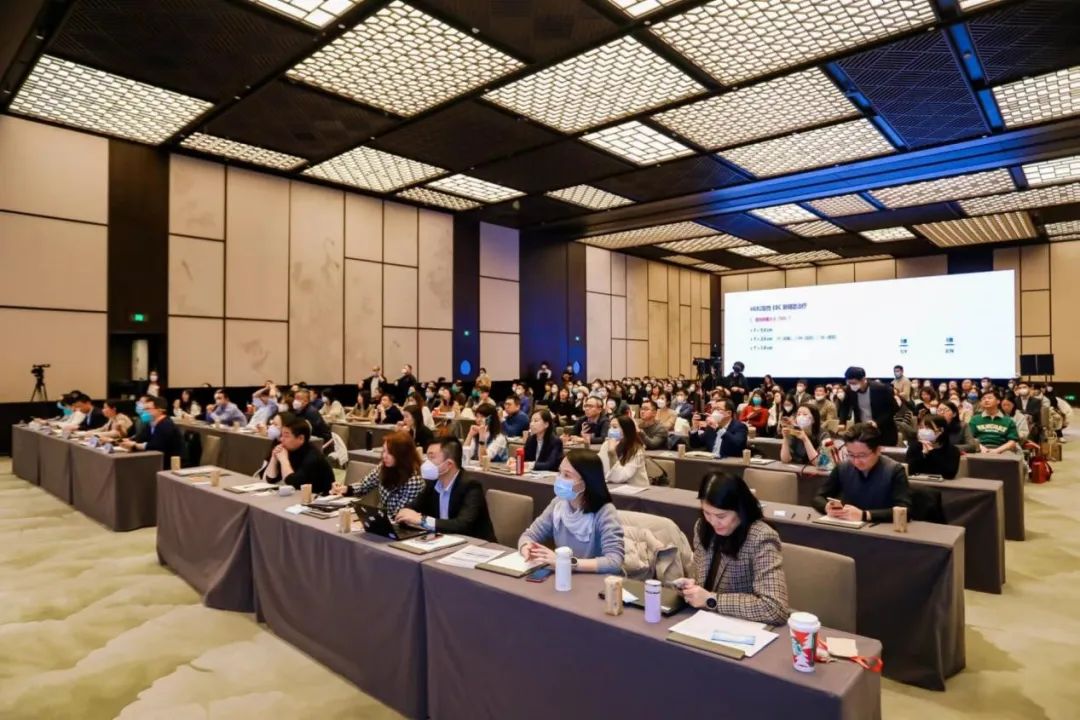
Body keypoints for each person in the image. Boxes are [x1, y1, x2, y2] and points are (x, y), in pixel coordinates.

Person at [674, 473, 789, 625]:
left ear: (740, 510)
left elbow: (774, 608)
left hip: (742, 625)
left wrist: (711, 600)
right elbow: (707, 582)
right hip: (705, 620)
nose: (713, 522)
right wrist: (692, 587)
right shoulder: (702, 527)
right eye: (707, 513)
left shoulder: (760, 537)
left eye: (721, 516)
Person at [518, 450, 624, 574]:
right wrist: (526, 547)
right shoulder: (558, 503)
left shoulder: (605, 511)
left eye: (567, 475)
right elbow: (529, 535)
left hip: (596, 581)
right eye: (559, 472)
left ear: (584, 483)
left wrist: (568, 563)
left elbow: (614, 562)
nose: (559, 479)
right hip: (566, 576)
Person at [395, 437, 496, 540]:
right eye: (427, 457)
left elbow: (462, 524)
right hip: (443, 539)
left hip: (474, 543)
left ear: (449, 464)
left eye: (432, 458)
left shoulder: (471, 486)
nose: (426, 463)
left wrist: (423, 520)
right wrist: (405, 512)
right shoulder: (432, 483)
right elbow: (412, 507)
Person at [812, 423, 911, 522]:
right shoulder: (843, 467)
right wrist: (826, 507)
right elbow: (818, 497)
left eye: (862, 455)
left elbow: (905, 511)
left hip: (881, 528)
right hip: (846, 526)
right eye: (851, 454)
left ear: (878, 450)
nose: (856, 461)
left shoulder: (894, 470)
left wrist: (864, 515)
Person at [330, 431, 424, 514]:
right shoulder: (383, 467)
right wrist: (345, 489)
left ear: (402, 455)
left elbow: (401, 513)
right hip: (381, 517)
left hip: (399, 522)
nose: (384, 456)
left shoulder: (414, 480)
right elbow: (364, 486)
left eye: (390, 453)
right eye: (384, 451)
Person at [837, 366, 899, 445]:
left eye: (854, 383)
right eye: (849, 383)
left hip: (884, 431)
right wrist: (842, 422)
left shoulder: (882, 389)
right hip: (863, 433)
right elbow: (845, 406)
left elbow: (893, 408)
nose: (852, 386)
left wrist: (877, 422)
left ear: (863, 380)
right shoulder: (850, 390)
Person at [122, 396, 185, 467]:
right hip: (155, 460)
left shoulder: (166, 424)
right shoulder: (151, 424)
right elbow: (141, 438)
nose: (144, 412)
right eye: (144, 409)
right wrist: (128, 441)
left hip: (169, 464)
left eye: (147, 409)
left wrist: (135, 445)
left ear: (160, 410)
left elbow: (156, 446)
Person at [599, 415, 648, 487]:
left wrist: (612, 453)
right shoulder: (606, 445)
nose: (610, 430)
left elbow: (619, 477)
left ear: (626, 430)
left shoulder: (636, 450)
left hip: (636, 489)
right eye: (610, 427)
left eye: (614, 427)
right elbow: (600, 468)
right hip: (613, 486)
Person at [906, 414, 960, 479]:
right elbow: (909, 470)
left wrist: (932, 452)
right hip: (918, 483)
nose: (923, 430)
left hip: (941, 484)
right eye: (921, 427)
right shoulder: (915, 446)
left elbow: (950, 474)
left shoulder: (953, 450)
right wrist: (923, 454)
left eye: (928, 428)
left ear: (940, 430)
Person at [969, 389, 1020, 454]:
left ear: (998, 401)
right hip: (980, 448)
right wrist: (982, 449)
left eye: (989, 398)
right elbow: (970, 438)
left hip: (1002, 449)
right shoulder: (975, 419)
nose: (986, 400)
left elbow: (1012, 441)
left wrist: (997, 451)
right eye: (983, 399)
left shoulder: (1008, 421)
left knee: (1010, 455)